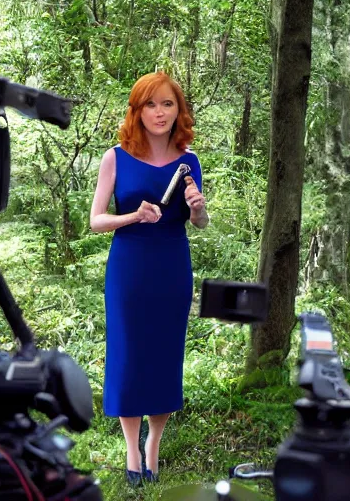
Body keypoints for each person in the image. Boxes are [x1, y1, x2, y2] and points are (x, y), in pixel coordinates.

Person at [90, 71, 208, 486]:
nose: (159, 113)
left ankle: (154, 446)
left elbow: (201, 223)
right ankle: (131, 450)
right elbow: (96, 220)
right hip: (129, 267)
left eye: (168, 104)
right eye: (150, 105)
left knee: (163, 355)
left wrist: (197, 207)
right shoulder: (115, 157)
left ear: (179, 111)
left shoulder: (188, 159)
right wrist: (134, 215)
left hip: (172, 265)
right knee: (128, 355)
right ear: (137, 111)